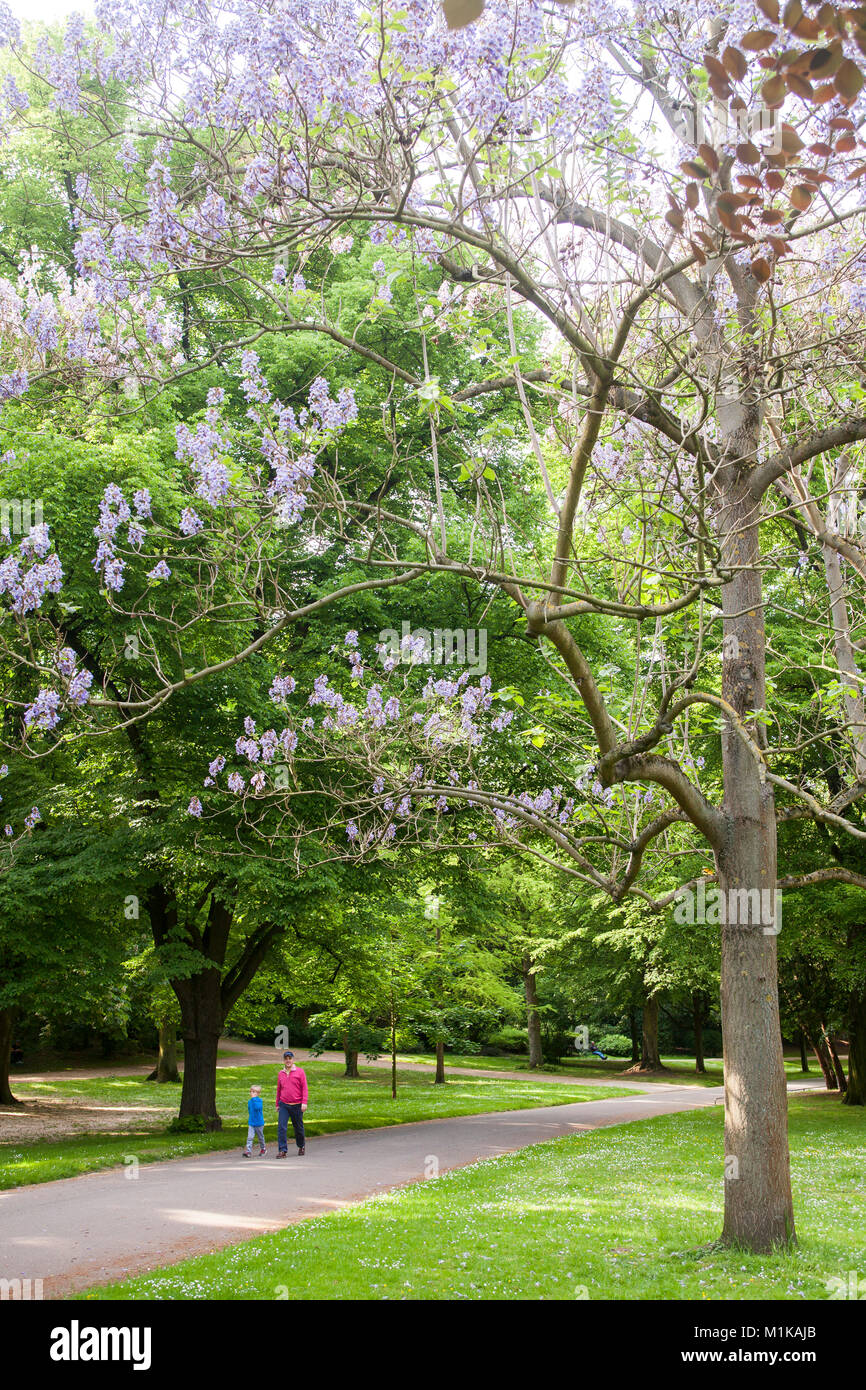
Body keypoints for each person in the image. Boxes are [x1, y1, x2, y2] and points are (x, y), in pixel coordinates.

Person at [275, 1050, 307, 1157]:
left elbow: (304, 1088)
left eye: (290, 1059)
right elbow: (279, 1090)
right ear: (284, 1060)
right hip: (284, 1104)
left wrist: (304, 1102)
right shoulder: (281, 1073)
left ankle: (301, 1145)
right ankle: (282, 1150)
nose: (288, 1061)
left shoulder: (300, 1072)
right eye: (286, 1059)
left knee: (298, 1128)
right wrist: (277, 1104)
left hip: (297, 1104)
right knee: (281, 1127)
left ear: (293, 1060)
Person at [243, 1084, 266, 1157]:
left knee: (260, 1137)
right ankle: (248, 1151)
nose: (252, 1093)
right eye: (251, 1091)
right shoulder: (250, 1101)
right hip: (252, 1123)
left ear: (258, 1093)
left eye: (254, 1092)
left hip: (259, 1123)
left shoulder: (259, 1101)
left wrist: (254, 1099)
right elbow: (250, 1110)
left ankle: (263, 1149)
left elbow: (257, 1108)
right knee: (250, 1137)